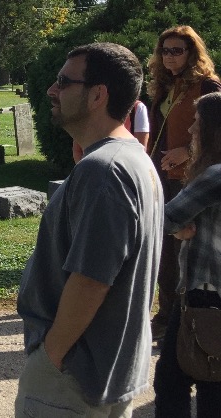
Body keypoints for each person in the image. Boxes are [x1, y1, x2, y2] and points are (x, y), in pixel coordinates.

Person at [15, 42, 163, 417]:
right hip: (105, 373)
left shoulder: (105, 170)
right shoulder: (132, 158)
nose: (52, 90)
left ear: (98, 95)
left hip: (73, 378)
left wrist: (52, 354)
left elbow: (91, 280)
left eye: (64, 82)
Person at [146, 25, 221, 340]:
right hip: (161, 174)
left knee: (183, 248)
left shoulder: (208, 85)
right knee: (164, 250)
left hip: (193, 175)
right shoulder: (165, 85)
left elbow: (215, 131)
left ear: (192, 53)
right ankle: (166, 317)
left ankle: (181, 322)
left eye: (177, 50)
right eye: (165, 51)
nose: (169, 56)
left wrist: (186, 152)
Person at [153, 91, 221, 418]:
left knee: (179, 381)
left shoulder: (214, 176)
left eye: (197, 123)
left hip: (204, 295)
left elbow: (165, 218)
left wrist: (177, 230)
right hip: (208, 294)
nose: (191, 130)